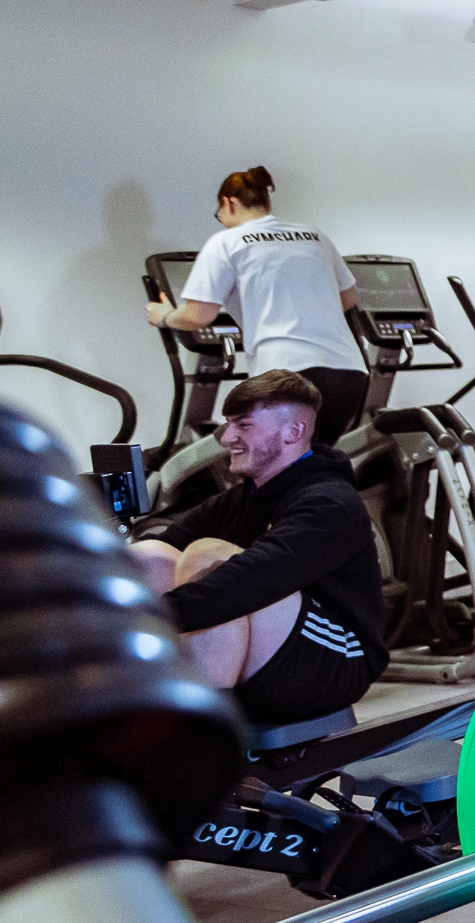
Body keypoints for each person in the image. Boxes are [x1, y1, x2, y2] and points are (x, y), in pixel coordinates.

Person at [130, 371, 387, 725]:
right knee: (149, 557)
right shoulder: (242, 498)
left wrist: (138, 618)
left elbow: (249, 582)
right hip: (277, 648)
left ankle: (202, 734)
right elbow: (165, 542)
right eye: (229, 425)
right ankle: (132, 707)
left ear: (293, 432)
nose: (227, 438)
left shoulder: (329, 503)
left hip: (337, 660)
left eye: (244, 426)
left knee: (210, 560)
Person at [148, 166, 369, 447]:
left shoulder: (226, 242)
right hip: (348, 374)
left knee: (276, 472)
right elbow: (349, 298)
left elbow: (198, 315)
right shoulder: (315, 236)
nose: (222, 222)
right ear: (266, 201)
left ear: (229, 203)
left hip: (287, 375)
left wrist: (165, 316)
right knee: (314, 465)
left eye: (220, 215)